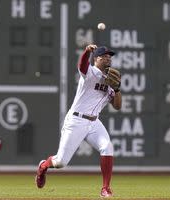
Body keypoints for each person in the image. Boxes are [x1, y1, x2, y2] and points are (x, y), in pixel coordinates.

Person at [35, 44, 122, 198]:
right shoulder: (91, 72)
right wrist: (86, 52)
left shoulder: (111, 80)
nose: (109, 58)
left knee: (107, 147)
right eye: (106, 56)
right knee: (61, 162)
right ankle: (43, 166)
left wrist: (117, 89)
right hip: (76, 120)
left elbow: (117, 106)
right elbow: (82, 66)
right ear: (97, 59)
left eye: (110, 56)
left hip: (94, 123)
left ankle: (105, 188)